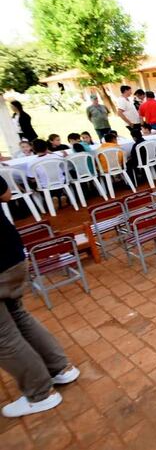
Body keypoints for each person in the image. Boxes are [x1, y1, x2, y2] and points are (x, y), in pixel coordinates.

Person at [0, 175, 80, 418]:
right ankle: (60, 368)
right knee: (18, 315)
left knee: (3, 336)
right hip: (11, 253)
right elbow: (5, 194)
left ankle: (40, 393)